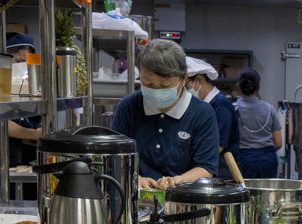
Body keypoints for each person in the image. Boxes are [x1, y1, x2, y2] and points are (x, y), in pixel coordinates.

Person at [111, 40, 219, 189]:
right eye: (147, 84)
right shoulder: (129, 106)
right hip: (135, 199)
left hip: (182, 200)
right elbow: (115, 158)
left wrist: (177, 181)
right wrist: (135, 178)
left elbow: (206, 168)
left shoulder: (202, 113)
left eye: (165, 85)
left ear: (184, 78)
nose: (156, 91)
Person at [0, 33, 41, 199]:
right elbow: (0, 123)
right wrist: (34, 134)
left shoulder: (23, 87)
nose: (23, 70)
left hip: (16, 158)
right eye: (19, 63)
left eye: (27, 65)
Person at [185, 57, 240, 181]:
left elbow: (217, 147)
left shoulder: (220, 106)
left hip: (222, 175)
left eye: (185, 85)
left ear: (199, 80)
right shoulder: (203, 106)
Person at [234, 69, 282, 179]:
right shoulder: (270, 109)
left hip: (244, 161)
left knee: (245, 194)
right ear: (258, 87)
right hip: (268, 160)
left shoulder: (233, 109)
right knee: (267, 195)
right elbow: (278, 143)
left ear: (238, 86)